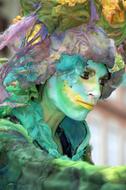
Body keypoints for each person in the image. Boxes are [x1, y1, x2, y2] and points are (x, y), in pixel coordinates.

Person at [0, 0, 126, 189]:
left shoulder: (74, 141)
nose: (96, 91)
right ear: (49, 68)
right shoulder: (6, 132)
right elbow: (44, 174)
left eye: (101, 81)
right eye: (85, 74)